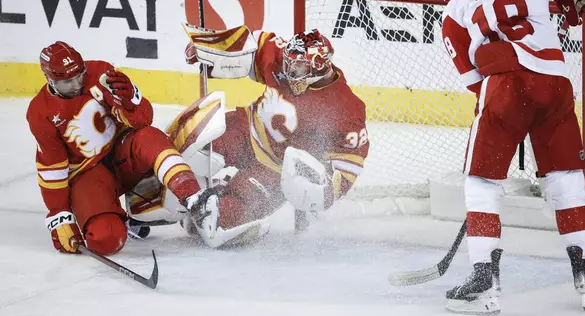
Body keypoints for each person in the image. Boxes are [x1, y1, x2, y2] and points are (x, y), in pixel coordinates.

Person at [441, 0, 585, 313]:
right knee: (567, 179)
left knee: (481, 183)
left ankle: (484, 280)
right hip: (555, 86)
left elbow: (472, 79)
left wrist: (508, 115)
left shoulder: (455, 7)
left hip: (503, 88)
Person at [181, 26, 369, 247]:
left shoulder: (347, 109)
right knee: (189, 149)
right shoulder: (288, 57)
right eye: (288, 62)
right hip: (246, 129)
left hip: (275, 172)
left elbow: (348, 167)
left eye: (297, 67)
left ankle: (220, 190)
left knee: (221, 221)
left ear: (319, 66)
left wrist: (325, 194)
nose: (289, 71)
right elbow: (248, 48)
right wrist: (211, 47)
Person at [26, 42, 217, 256]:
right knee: (105, 240)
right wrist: (59, 214)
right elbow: (52, 168)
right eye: (68, 81)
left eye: (79, 75)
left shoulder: (100, 73)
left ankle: (195, 198)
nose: (77, 84)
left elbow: (143, 119)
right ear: (49, 79)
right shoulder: (39, 112)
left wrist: (130, 102)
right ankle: (127, 218)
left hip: (123, 152)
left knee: (148, 136)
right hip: (88, 176)